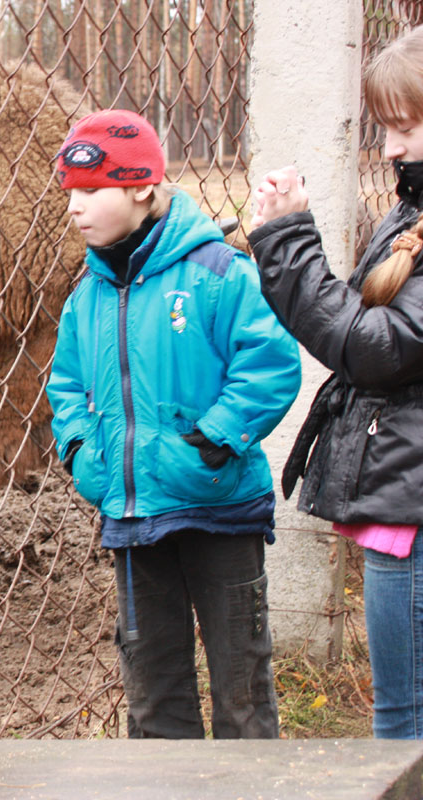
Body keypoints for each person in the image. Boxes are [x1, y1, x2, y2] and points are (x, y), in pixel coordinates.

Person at [46, 109, 302, 739]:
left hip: (219, 509)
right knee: (154, 695)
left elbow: (270, 362)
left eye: (90, 192)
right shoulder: (87, 298)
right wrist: (83, 451)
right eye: (69, 194)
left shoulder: (218, 273)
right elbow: (67, 388)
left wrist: (217, 435)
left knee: (242, 687)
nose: (74, 208)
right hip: (133, 518)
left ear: (140, 186)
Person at [249, 26, 423, 740]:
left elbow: (378, 349)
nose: (389, 149)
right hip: (406, 505)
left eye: (406, 126)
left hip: (413, 520)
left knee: (405, 725)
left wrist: (290, 245)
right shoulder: (408, 214)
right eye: (384, 128)